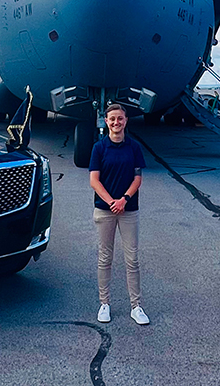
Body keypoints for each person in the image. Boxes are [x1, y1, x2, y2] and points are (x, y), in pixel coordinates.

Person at [88, 102, 149, 325]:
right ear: (106, 121)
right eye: (112, 119)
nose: (116, 122)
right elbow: (94, 180)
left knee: (132, 259)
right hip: (105, 210)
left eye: (120, 118)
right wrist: (112, 202)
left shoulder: (133, 147)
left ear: (125, 121)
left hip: (128, 209)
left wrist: (123, 200)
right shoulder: (99, 148)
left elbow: (137, 178)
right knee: (105, 258)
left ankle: (136, 306)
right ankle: (104, 303)